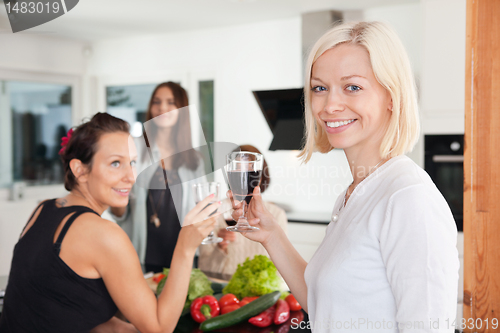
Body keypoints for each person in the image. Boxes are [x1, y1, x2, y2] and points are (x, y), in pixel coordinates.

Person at [229, 21, 459, 332]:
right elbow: (327, 307)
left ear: (393, 96)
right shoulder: (354, 194)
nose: (330, 105)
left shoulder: (408, 198)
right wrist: (273, 236)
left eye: (352, 87)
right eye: (319, 88)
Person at [0, 113, 219, 333]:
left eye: (132, 162)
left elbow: (66, 310)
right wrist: (185, 247)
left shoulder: (44, 208)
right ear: (80, 170)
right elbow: (159, 328)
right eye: (115, 163)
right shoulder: (103, 235)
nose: (131, 176)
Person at [110, 82, 206, 273]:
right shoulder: (134, 148)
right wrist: (116, 195)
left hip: (184, 254)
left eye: (171, 102)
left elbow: (203, 207)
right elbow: (119, 212)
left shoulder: (194, 159)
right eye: (157, 102)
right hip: (143, 253)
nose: (162, 107)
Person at [198, 145, 288, 277]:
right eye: (238, 169)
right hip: (225, 291)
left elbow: (282, 271)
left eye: (250, 169)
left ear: (260, 176)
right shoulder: (213, 211)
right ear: (230, 175)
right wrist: (220, 248)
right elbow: (204, 270)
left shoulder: (276, 215)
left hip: (262, 292)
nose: (243, 176)